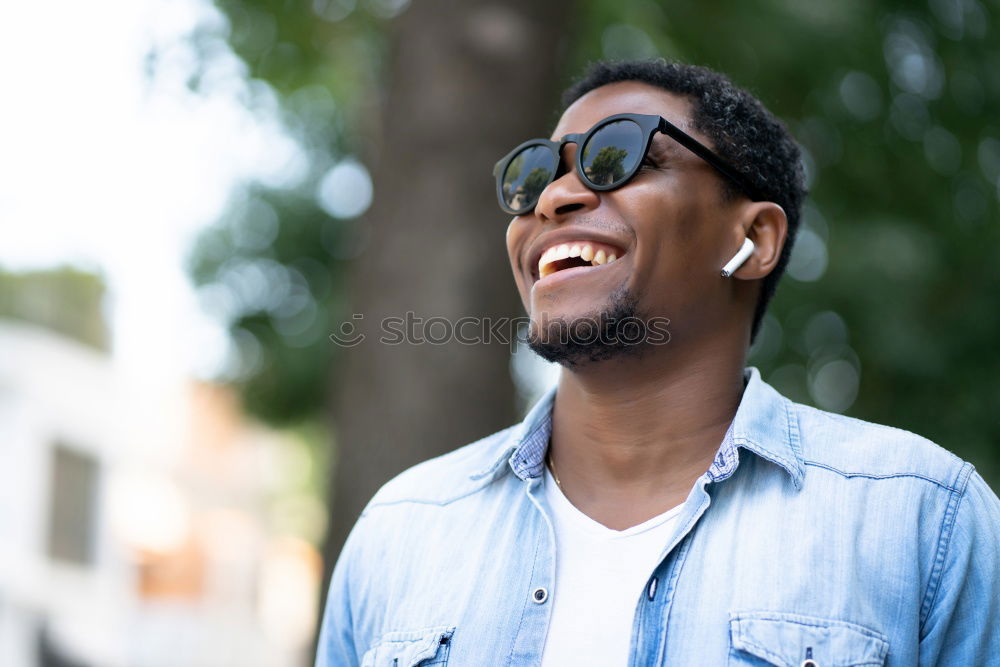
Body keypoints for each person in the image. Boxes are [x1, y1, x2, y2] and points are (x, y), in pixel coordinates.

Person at [315, 59, 1000, 666]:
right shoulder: (400, 531)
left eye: (617, 157)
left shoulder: (922, 521)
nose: (554, 198)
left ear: (753, 238)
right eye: (532, 178)